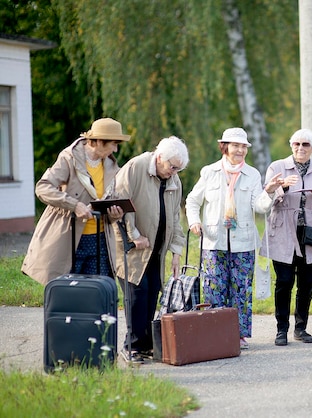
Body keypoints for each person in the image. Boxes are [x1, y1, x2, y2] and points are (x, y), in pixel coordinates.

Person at [185, 128, 282, 350]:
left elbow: (258, 206)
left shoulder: (253, 174)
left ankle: (238, 335)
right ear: (225, 147)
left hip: (244, 242)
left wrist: (269, 192)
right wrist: (193, 222)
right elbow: (192, 200)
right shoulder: (209, 172)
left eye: (243, 146)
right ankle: (215, 333)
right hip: (213, 240)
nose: (239, 150)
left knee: (241, 289)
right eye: (235, 145)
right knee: (213, 288)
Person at [22, 118, 129, 285]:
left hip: (100, 241)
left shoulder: (111, 166)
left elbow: (107, 202)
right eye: (114, 144)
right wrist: (74, 205)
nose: (116, 149)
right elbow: (43, 187)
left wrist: (114, 214)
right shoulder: (69, 158)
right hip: (70, 238)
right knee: (68, 293)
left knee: (95, 294)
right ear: (99, 142)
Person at [114, 135, 189, 363]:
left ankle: (146, 345)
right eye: (172, 166)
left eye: (178, 169)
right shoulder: (136, 167)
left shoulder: (174, 180)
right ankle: (132, 346)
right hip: (131, 248)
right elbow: (119, 204)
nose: (174, 172)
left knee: (153, 290)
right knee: (137, 293)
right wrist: (133, 235)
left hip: (157, 248)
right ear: (159, 158)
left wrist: (176, 252)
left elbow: (176, 216)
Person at [260, 128, 312, 346]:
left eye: (305, 145)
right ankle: (281, 329)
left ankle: (301, 329)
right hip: (283, 231)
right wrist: (279, 187)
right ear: (291, 145)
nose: (301, 148)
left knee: (306, 283)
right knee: (284, 281)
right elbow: (267, 199)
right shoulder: (277, 167)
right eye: (297, 144)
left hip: (311, 234)